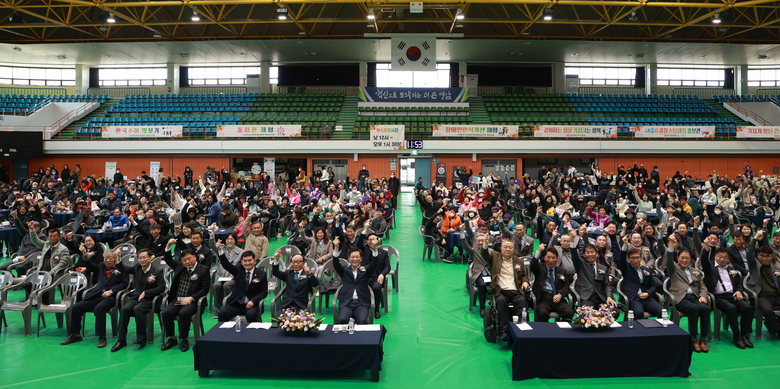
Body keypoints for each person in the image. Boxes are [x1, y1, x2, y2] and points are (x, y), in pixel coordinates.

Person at [61, 250, 129, 348]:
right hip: (97, 295)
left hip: (111, 297)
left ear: (114, 259)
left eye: (110, 258)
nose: (108, 260)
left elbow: (125, 283)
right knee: (76, 307)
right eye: (106, 258)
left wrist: (111, 291)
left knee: (99, 309)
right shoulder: (101, 266)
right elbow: (90, 266)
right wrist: (85, 256)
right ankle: (75, 335)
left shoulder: (121, 267)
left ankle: (102, 336)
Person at [700, 240, 754, 349]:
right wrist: (706, 247)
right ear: (715, 256)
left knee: (747, 307)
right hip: (718, 298)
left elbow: (738, 284)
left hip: (732, 296)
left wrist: (739, 291)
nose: (722, 259)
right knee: (731, 309)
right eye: (720, 257)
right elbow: (704, 260)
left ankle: (744, 334)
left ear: (728, 259)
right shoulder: (710, 267)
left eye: (725, 257)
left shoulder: (731, 269)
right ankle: (736, 335)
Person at [160, 241, 211, 352]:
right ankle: (172, 338)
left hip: (193, 301)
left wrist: (191, 298)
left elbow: (205, 289)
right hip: (179, 299)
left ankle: (184, 339)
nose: (187, 262)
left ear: (195, 257)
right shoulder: (179, 266)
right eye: (184, 260)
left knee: (184, 313)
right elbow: (168, 259)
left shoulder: (203, 270)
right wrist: (168, 246)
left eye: (189, 259)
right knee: (166, 313)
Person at [111, 249, 166, 352]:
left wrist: (146, 293)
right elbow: (123, 268)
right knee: (125, 309)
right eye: (140, 258)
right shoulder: (137, 268)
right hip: (136, 297)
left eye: (144, 257)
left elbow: (161, 288)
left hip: (150, 299)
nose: (142, 260)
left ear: (150, 257)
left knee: (138, 309)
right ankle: (121, 339)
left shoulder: (157, 271)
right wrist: (118, 258)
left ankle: (142, 337)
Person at [665, 236, 711, 353]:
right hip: (681, 297)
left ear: (691, 259)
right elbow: (668, 259)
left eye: (687, 258)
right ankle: (694, 338)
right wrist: (671, 245)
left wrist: (703, 296)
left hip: (694, 297)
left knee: (705, 309)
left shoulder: (695, 271)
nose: (685, 260)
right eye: (682, 258)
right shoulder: (674, 268)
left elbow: (702, 286)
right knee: (694, 309)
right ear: (678, 258)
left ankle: (703, 338)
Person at [481, 239, 529, 341]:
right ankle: (504, 331)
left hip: (515, 290)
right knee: (501, 301)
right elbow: (484, 254)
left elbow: (524, 275)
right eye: (505, 247)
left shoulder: (518, 261)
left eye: (510, 247)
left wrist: (525, 281)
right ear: (501, 248)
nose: (508, 249)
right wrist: (485, 244)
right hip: (501, 290)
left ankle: (520, 329)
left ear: (514, 249)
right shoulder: (495, 256)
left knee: (522, 301)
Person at [215, 241, 267, 323]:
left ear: (254, 261)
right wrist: (220, 251)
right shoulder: (238, 270)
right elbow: (226, 265)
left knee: (251, 315)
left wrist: (253, 301)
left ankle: (250, 335)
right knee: (222, 313)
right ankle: (224, 335)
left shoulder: (261, 274)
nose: (247, 263)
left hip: (251, 305)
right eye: (245, 261)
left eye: (250, 260)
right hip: (236, 303)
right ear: (242, 262)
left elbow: (264, 292)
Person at [332, 243, 378, 325]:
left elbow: (374, 265)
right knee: (341, 320)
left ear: (361, 259)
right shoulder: (344, 270)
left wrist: (374, 250)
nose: (355, 259)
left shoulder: (366, 270)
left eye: (357, 257)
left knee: (362, 321)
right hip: (347, 304)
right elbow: (335, 263)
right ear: (349, 259)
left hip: (361, 303)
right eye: (352, 257)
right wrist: (336, 247)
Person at [617, 241, 663, 320]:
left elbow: (653, 285)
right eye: (633, 258)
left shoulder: (646, 270)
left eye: (637, 257)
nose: (635, 260)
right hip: (633, 298)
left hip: (647, 298)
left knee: (662, 312)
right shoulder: (626, 268)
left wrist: (648, 293)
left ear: (641, 258)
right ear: (629, 259)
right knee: (638, 313)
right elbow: (621, 259)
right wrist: (624, 246)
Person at [26, 226, 71, 303]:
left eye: (54, 236)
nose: (52, 238)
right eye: (50, 236)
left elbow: (62, 264)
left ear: (59, 237)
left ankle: (43, 301)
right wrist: (32, 231)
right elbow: (35, 241)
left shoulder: (64, 249)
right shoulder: (46, 244)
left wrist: (50, 273)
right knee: (27, 284)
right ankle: (39, 299)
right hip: (41, 272)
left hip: (53, 274)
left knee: (45, 284)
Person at [745, 244, 780, 340]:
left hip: (776, 296)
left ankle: (771, 324)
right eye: (762, 256)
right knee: (768, 311)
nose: (765, 259)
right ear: (758, 256)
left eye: (767, 256)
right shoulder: (754, 266)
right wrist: (755, 239)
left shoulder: (777, 269)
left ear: (771, 257)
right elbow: (748, 253)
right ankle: (778, 330)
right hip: (762, 296)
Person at [531, 246, 574, 322]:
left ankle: (562, 331)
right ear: (544, 258)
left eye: (553, 258)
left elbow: (566, 286)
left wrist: (560, 295)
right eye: (548, 257)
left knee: (569, 312)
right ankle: (546, 332)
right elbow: (532, 265)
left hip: (558, 298)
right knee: (542, 313)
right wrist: (538, 252)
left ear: (557, 259)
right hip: (544, 298)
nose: (551, 260)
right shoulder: (540, 268)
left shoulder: (562, 271)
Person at [572, 243, 616, 309]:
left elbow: (607, 285)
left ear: (596, 253)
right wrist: (572, 241)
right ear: (584, 255)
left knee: (613, 310)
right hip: (586, 298)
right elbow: (574, 255)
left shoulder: (603, 268)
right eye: (587, 252)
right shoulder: (580, 265)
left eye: (592, 252)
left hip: (600, 297)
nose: (590, 254)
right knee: (588, 312)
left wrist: (609, 297)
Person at [210, 233, 243, 316]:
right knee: (216, 285)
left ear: (235, 240)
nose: (229, 241)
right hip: (221, 276)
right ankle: (218, 308)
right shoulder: (221, 249)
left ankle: (227, 306)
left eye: (231, 239)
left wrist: (236, 273)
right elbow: (212, 245)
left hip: (233, 277)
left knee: (227, 285)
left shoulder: (241, 252)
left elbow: (242, 265)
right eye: (227, 239)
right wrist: (212, 235)